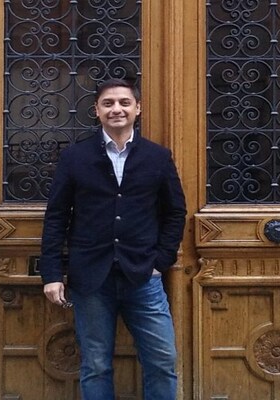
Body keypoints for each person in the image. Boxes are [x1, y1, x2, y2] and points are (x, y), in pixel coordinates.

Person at [39, 78, 187, 400]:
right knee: (95, 365)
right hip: (91, 278)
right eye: (108, 103)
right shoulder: (75, 157)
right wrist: (51, 274)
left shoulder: (157, 157)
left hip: (143, 277)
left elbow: (175, 212)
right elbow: (57, 216)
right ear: (97, 110)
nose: (116, 109)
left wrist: (161, 261)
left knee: (163, 360)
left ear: (137, 108)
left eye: (124, 102)